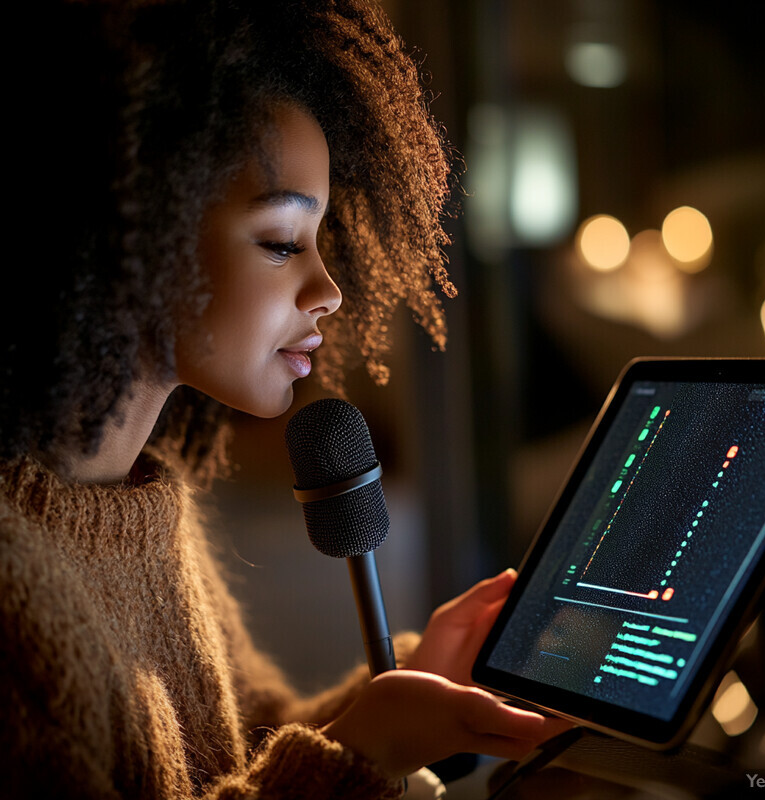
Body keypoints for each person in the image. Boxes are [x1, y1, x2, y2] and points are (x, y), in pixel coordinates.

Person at [0, 1, 571, 797]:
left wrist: (408, 686)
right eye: (279, 242)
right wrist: (357, 757)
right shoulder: (12, 584)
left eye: (319, 242)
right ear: (130, 234)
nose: (329, 290)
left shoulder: (144, 504)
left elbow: (244, 750)